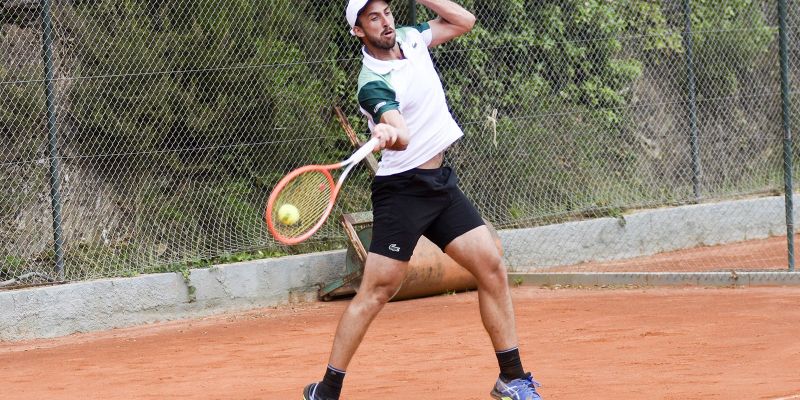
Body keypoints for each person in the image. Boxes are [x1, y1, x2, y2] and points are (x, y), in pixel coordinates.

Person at [303, 1, 542, 399]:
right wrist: (389, 131)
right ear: (358, 30)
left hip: (440, 184)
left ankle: (511, 379)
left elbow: (464, 21)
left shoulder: (413, 39)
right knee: (378, 291)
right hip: (403, 193)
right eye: (373, 17)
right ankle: (326, 389)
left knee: (491, 266)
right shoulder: (372, 81)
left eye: (387, 12)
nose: (385, 22)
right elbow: (400, 128)